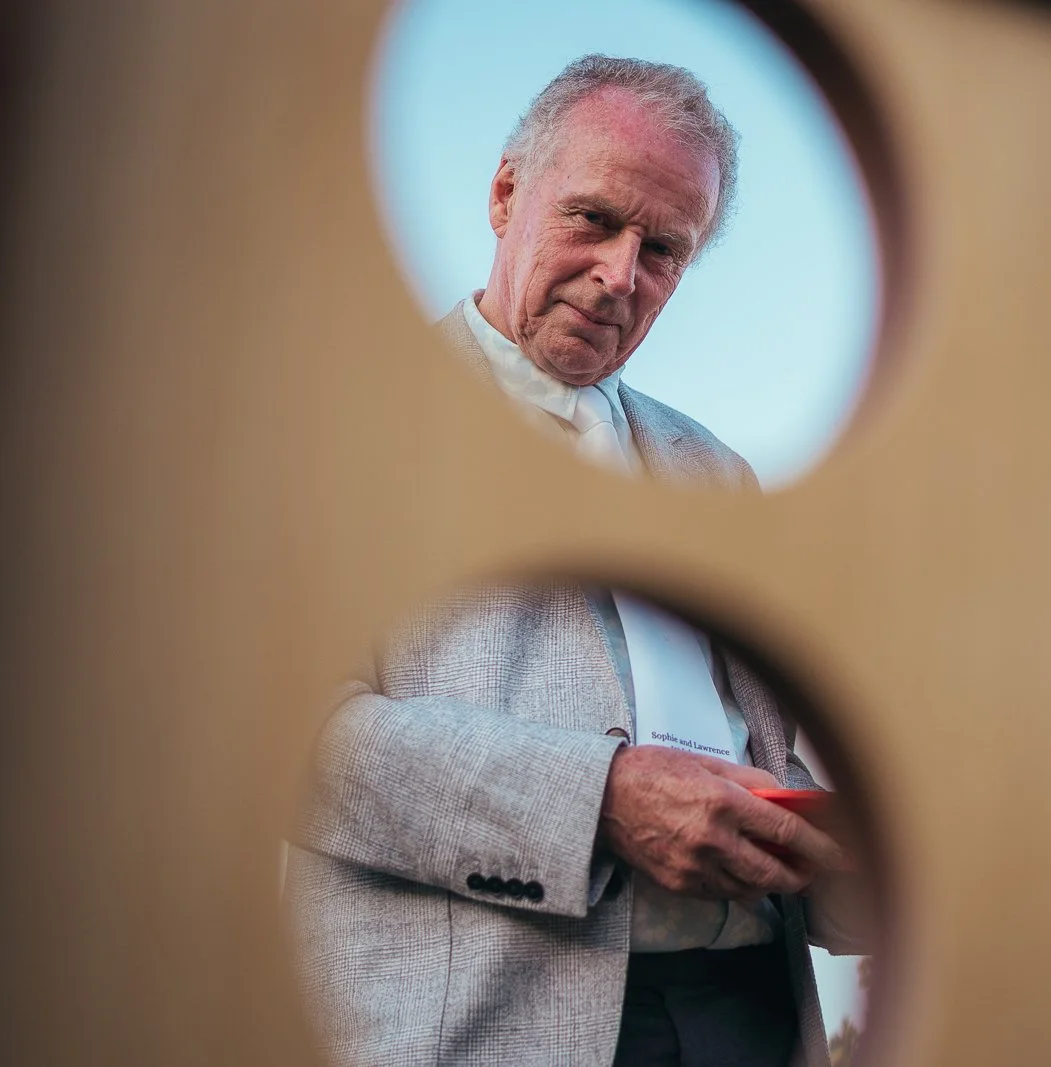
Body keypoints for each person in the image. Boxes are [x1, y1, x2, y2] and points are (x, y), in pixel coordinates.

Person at [285, 55, 867, 1067]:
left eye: (664, 249)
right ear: (507, 193)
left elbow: (798, 740)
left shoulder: (717, 470)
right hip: (479, 1028)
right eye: (593, 220)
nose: (619, 274)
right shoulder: (337, 420)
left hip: (751, 1017)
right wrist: (598, 797)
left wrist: (838, 829)